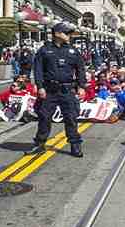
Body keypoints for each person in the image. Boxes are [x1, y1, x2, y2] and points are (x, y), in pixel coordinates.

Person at [32, 22, 86, 157]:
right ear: (57, 33)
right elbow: (38, 70)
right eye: (66, 33)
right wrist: (40, 86)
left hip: (67, 89)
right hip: (49, 89)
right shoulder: (44, 50)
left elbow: (80, 69)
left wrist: (81, 86)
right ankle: (39, 144)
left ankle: (75, 145)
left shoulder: (73, 51)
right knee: (44, 117)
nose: (69, 36)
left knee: (71, 117)